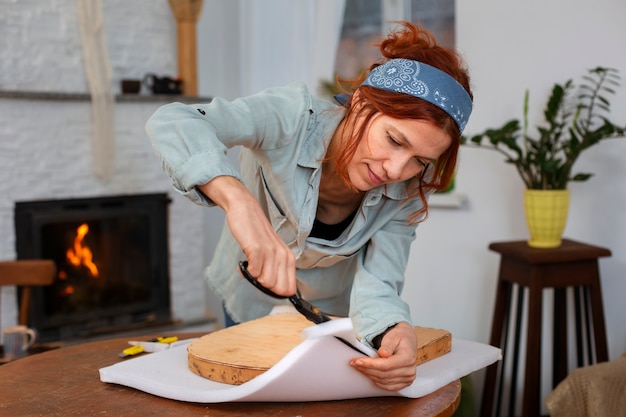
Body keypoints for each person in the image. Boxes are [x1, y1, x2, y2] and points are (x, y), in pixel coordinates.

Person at [146, 21, 472, 391]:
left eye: (420, 161)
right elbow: (174, 121)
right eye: (395, 140)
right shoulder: (290, 117)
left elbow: (379, 282)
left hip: (328, 319)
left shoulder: (405, 191)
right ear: (362, 103)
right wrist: (239, 203)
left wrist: (395, 330)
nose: (397, 170)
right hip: (247, 299)